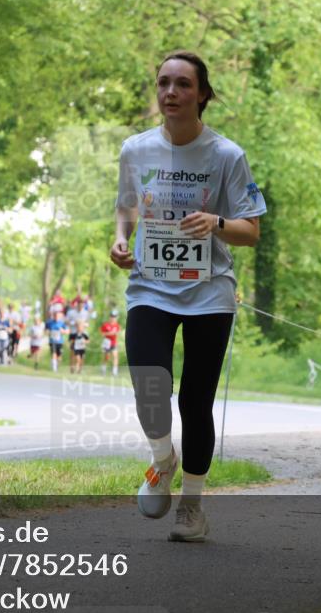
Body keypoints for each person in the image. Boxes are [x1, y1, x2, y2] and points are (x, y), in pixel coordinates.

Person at [110, 50, 265, 542]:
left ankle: (192, 508)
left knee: (195, 404)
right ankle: (162, 460)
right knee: (149, 388)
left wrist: (216, 223)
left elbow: (251, 230)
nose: (171, 92)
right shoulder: (136, 150)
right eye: (163, 83)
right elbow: (126, 208)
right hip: (150, 287)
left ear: (202, 94)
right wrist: (120, 239)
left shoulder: (226, 155)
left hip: (208, 293)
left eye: (182, 84)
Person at [100, 309, 121, 376]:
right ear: (110, 317)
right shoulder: (105, 325)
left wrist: (115, 334)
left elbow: (118, 333)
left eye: (114, 316)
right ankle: (103, 368)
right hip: (107, 342)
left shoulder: (117, 325)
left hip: (114, 343)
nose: (113, 318)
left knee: (115, 356)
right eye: (112, 316)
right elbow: (102, 334)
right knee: (107, 357)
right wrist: (110, 333)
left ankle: (114, 371)